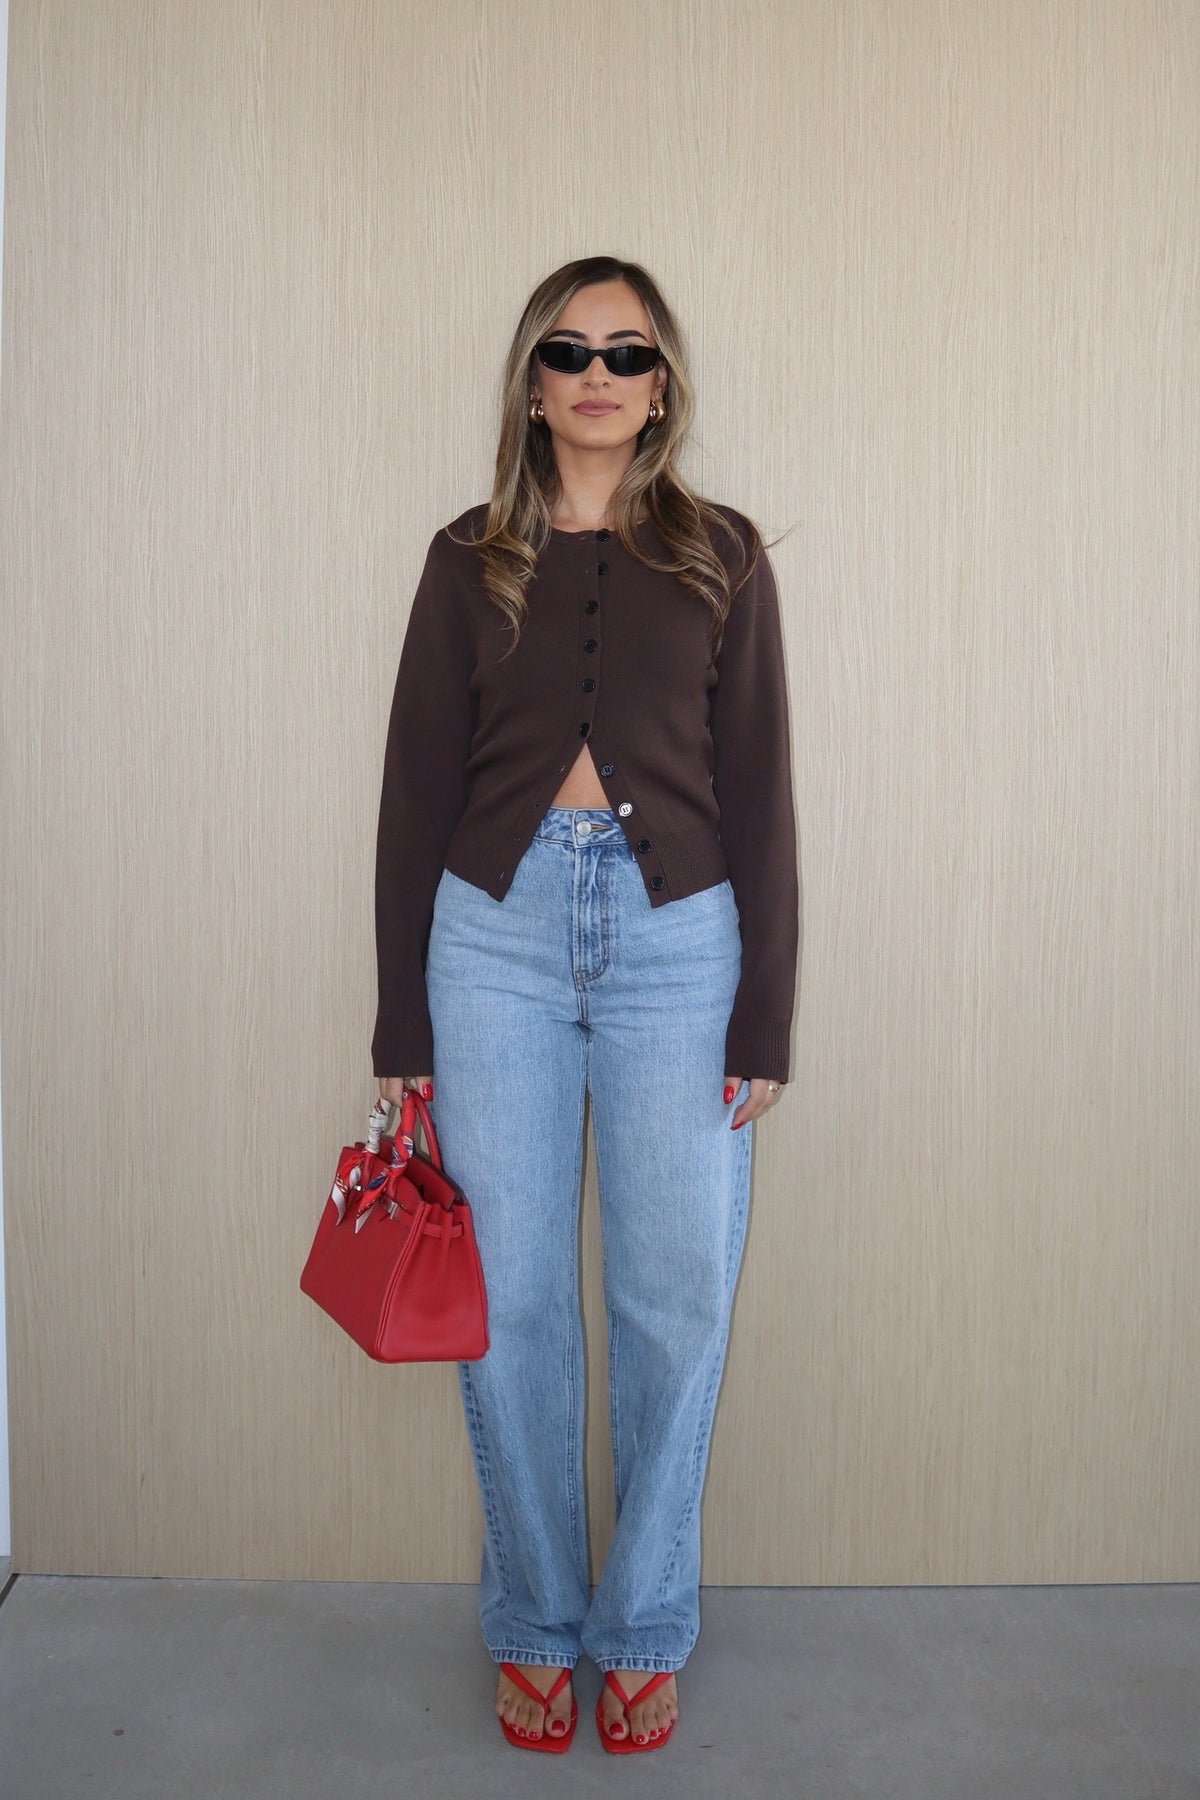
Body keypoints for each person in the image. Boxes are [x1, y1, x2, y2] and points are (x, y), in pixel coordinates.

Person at [371, 255, 800, 1754]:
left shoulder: (722, 555)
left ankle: (644, 1621)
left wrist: (765, 1016)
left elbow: (761, 788)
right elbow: (414, 791)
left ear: (662, 382)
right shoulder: (464, 557)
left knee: (676, 1295)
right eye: (569, 350)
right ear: (534, 381)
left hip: (681, 943)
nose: (597, 375)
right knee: (516, 1302)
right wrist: (401, 1028)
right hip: (490, 941)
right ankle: (536, 1617)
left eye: (626, 352)